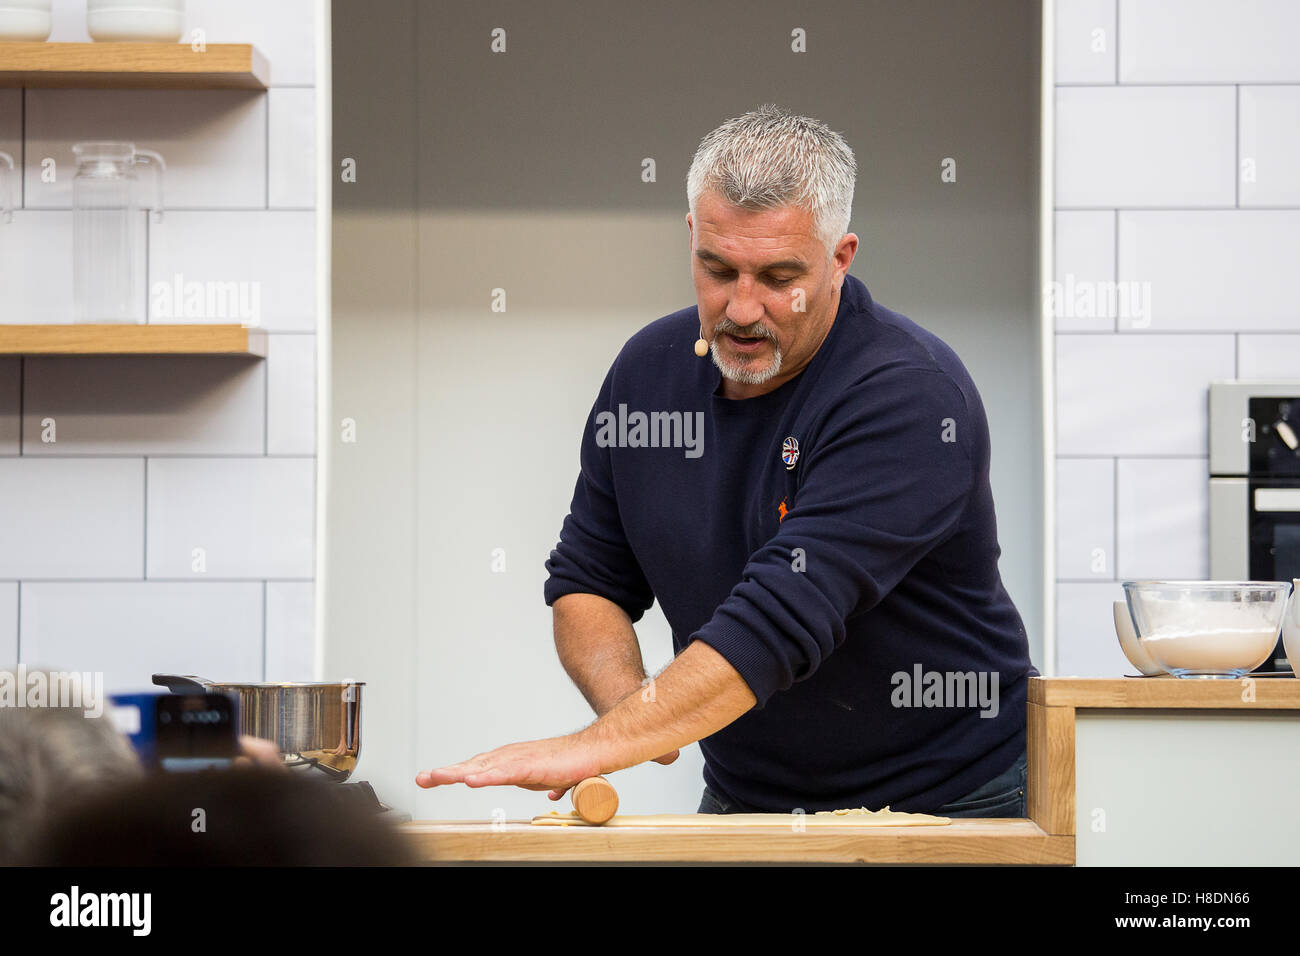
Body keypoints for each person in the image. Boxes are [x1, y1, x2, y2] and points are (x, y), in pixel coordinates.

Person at [416, 104, 1038, 817]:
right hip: (751, 800)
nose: (742, 308)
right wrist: (633, 712)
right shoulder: (646, 374)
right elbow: (589, 580)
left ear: (841, 258)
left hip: (956, 797)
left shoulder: (912, 397)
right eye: (718, 269)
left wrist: (597, 745)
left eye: (779, 277)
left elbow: (778, 621)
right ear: (691, 239)